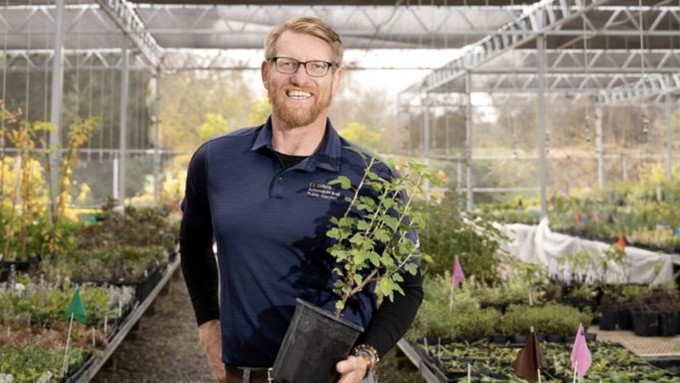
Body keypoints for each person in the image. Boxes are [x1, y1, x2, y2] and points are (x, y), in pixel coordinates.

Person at [179, 16, 423, 383]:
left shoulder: (372, 178)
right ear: (266, 73)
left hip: (335, 376)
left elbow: (408, 284)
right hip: (243, 375)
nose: (300, 78)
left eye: (317, 66)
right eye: (287, 63)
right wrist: (207, 325)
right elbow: (194, 243)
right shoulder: (216, 160)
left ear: (336, 79)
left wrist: (367, 357)